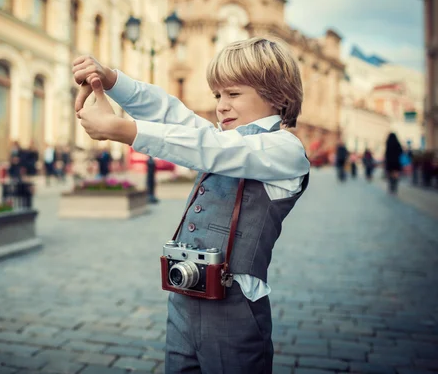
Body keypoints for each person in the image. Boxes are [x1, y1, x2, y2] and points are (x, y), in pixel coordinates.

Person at [72, 37, 310, 374]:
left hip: (234, 309)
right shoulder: (225, 138)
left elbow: (209, 148)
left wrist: (124, 130)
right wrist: (111, 80)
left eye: (234, 94)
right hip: (183, 298)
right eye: (218, 95)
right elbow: (169, 113)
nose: (221, 106)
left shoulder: (285, 149)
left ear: (278, 96)